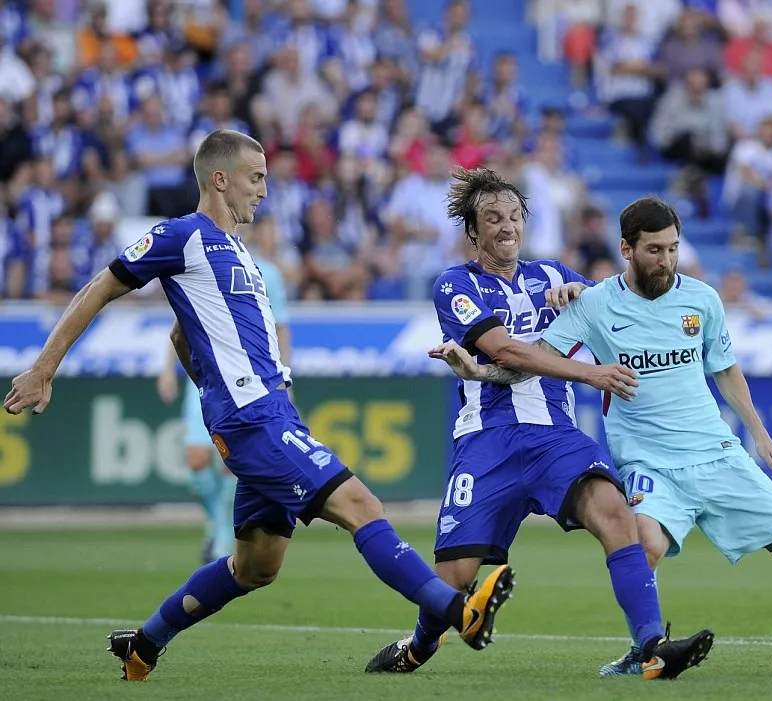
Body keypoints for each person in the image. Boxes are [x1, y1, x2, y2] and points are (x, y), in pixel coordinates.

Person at [2, 130, 515, 682]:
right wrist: (43, 368)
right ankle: (460, 611)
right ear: (219, 180)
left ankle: (144, 644)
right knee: (362, 506)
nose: (265, 192)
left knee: (255, 567)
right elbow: (99, 288)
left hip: (263, 413)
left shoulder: (239, 253)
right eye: (257, 178)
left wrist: (212, 383)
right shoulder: (183, 235)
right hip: (254, 418)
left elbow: (183, 333)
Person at [431, 195, 772, 674]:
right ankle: (646, 650)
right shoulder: (594, 304)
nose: (666, 260)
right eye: (655, 250)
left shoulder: (702, 299)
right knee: (642, 544)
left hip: (718, 453)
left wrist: (761, 436)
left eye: (673, 249)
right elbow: (521, 366)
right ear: (626, 248)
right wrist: (475, 374)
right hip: (649, 461)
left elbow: (726, 371)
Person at [365, 168, 714, 680]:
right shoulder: (455, 284)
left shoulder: (553, 275)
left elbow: (623, 307)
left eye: (514, 216)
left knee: (617, 514)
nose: (506, 227)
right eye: (493, 218)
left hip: (556, 438)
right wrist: (590, 372)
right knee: (454, 578)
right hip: (488, 443)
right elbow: (504, 350)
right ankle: (418, 646)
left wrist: (585, 295)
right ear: (472, 231)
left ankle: (650, 648)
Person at [156, 214, 291, 565]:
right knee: (197, 460)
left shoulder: (267, 273)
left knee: (232, 464)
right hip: (205, 375)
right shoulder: (204, 258)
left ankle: (222, 536)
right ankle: (216, 523)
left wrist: (283, 377)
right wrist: (167, 370)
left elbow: (280, 328)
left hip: (251, 381)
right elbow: (182, 323)